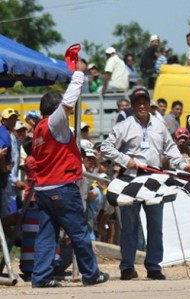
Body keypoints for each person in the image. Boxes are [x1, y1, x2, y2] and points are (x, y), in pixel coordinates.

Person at [101, 87, 190, 281]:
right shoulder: (124, 125)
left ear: (149, 104)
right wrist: (126, 160)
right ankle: (127, 267)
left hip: (154, 179)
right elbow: (106, 147)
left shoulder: (160, 126)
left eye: (144, 101)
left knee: (155, 225)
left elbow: (171, 149)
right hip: (131, 178)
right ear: (133, 105)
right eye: (137, 102)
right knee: (129, 226)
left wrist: (183, 165)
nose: (141, 105)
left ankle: (154, 266)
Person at [31, 59, 109, 287]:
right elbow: (67, 102)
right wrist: (77, 75)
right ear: (55, 111)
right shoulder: (54, 123)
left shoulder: (38, 129)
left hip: (44, 190)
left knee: (46, 236)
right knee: (79, 233)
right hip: (62, 188)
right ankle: (91, 274)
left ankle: (41, 277)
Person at [0, 108, 18, 217]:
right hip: (3, 176)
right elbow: (2, 153)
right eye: (10, 119)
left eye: (14, 119)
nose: (13, 121)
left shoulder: (5, 132)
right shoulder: (4, 134)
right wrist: (4, 168)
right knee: (4, 208)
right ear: (3, 120)